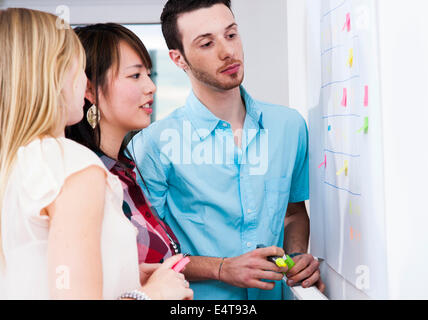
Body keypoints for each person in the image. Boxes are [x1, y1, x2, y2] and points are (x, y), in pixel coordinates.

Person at [129, 0, 325, 300]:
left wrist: (297, 259)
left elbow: (293, 213)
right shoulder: (152, 145)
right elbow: (147, 254)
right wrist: (221, 268)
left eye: (231, 35)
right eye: (207, 43)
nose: (227, 51)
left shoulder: (290, 127)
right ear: (178, 58)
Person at [0, 8, 192, 300]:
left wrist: (123, 272)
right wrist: (153, 295)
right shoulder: (72, 165)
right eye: (78, 69)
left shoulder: (15, 161)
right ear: (52, 75)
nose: (82, 82)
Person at [66, 23, 184, 278]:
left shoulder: (125, 168)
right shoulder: (82, 175)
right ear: (88, 89)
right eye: (135, 76)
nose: (151, 87)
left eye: (149, 75)